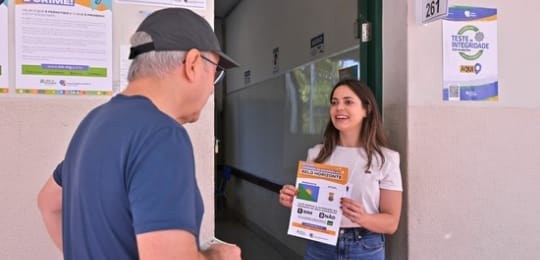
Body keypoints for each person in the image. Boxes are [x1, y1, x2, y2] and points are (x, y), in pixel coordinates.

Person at [37, 8, 242, 260]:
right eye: (215, 72)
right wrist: (219, 257)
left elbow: (48, 203)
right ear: (192, 64)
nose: (212, 89)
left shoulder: (93, 123)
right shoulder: (162, 136)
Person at [279, 79, 403, 260]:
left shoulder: (386, 159)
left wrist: (363, 218)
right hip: (320, 245)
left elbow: (391, 223)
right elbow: (309, 207)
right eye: (334, 102)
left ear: (366, 110)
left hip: (365, 246)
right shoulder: (316, 155)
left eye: (348, 102)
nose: (339, 108)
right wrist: (294, 201)